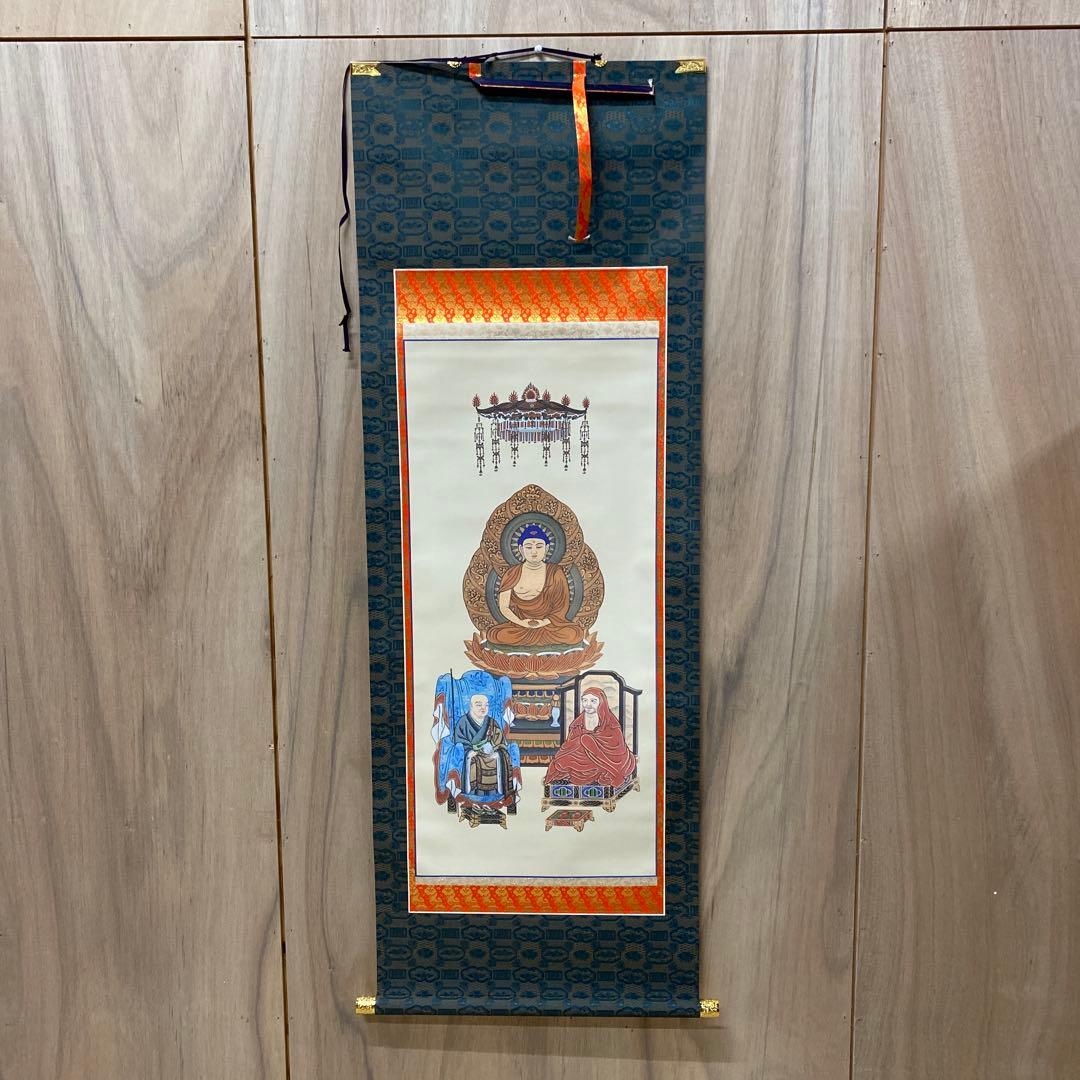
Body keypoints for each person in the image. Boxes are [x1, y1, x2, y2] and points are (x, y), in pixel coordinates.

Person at [485, 523, 585, 648]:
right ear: (521, 549)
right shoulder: (512, 573)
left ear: (547, 548)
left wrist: (543, 622)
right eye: (528, 547)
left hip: (549, 627)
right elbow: (504, 607)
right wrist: (521, 622)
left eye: (539, 546)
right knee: (495, 634)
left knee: (574, 634)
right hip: (519, 626)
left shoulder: (555, 572)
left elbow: (561, 608)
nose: (534, 551)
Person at [433, 682, 521, 810]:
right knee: (474, 761)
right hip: (472, 756)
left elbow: (500, 741)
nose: (483, 708)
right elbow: (460, 741)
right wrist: (469, 751)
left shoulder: (491, 722)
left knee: (498, 758)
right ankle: (473, 796)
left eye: (486, 705)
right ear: (471, 706)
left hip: (491, 755)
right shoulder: (463, 722)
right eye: (479, 705)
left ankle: (494, 796)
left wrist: (496, 751)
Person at [543, 687, 636, 787]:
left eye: (593, 701)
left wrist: (591, 741)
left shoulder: (611, 723)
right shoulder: (577, 723)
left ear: (601, 703)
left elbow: (617, 745)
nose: (588, 704)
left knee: (586, 741)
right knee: (560, 762)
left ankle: (613, 771)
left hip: (606, 757)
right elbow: (570, 744)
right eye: (585, 700)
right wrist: (583, 741)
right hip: (580, 755)